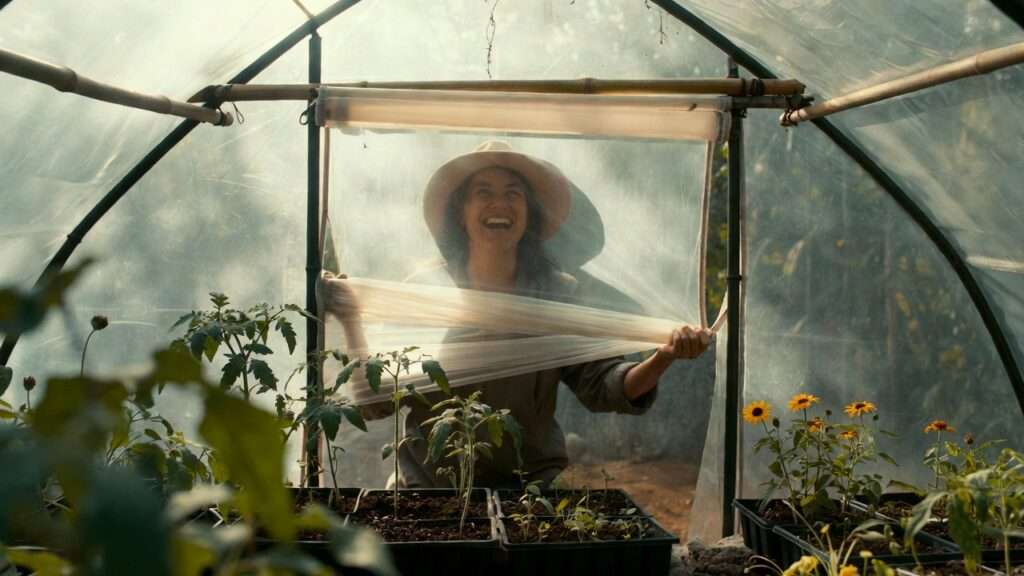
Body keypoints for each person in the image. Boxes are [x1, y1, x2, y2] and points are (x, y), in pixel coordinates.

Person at [324, 140, 712, 489]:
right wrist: (351, 319)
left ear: (529, 214)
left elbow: (604, 386)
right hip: (430, 489)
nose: (500, 204)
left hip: (528, 491)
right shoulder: (428, 290)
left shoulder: (557, 294)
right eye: (483, 193)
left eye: (514, 194)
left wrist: (664, 356)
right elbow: (375, 402)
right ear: (462, 212)